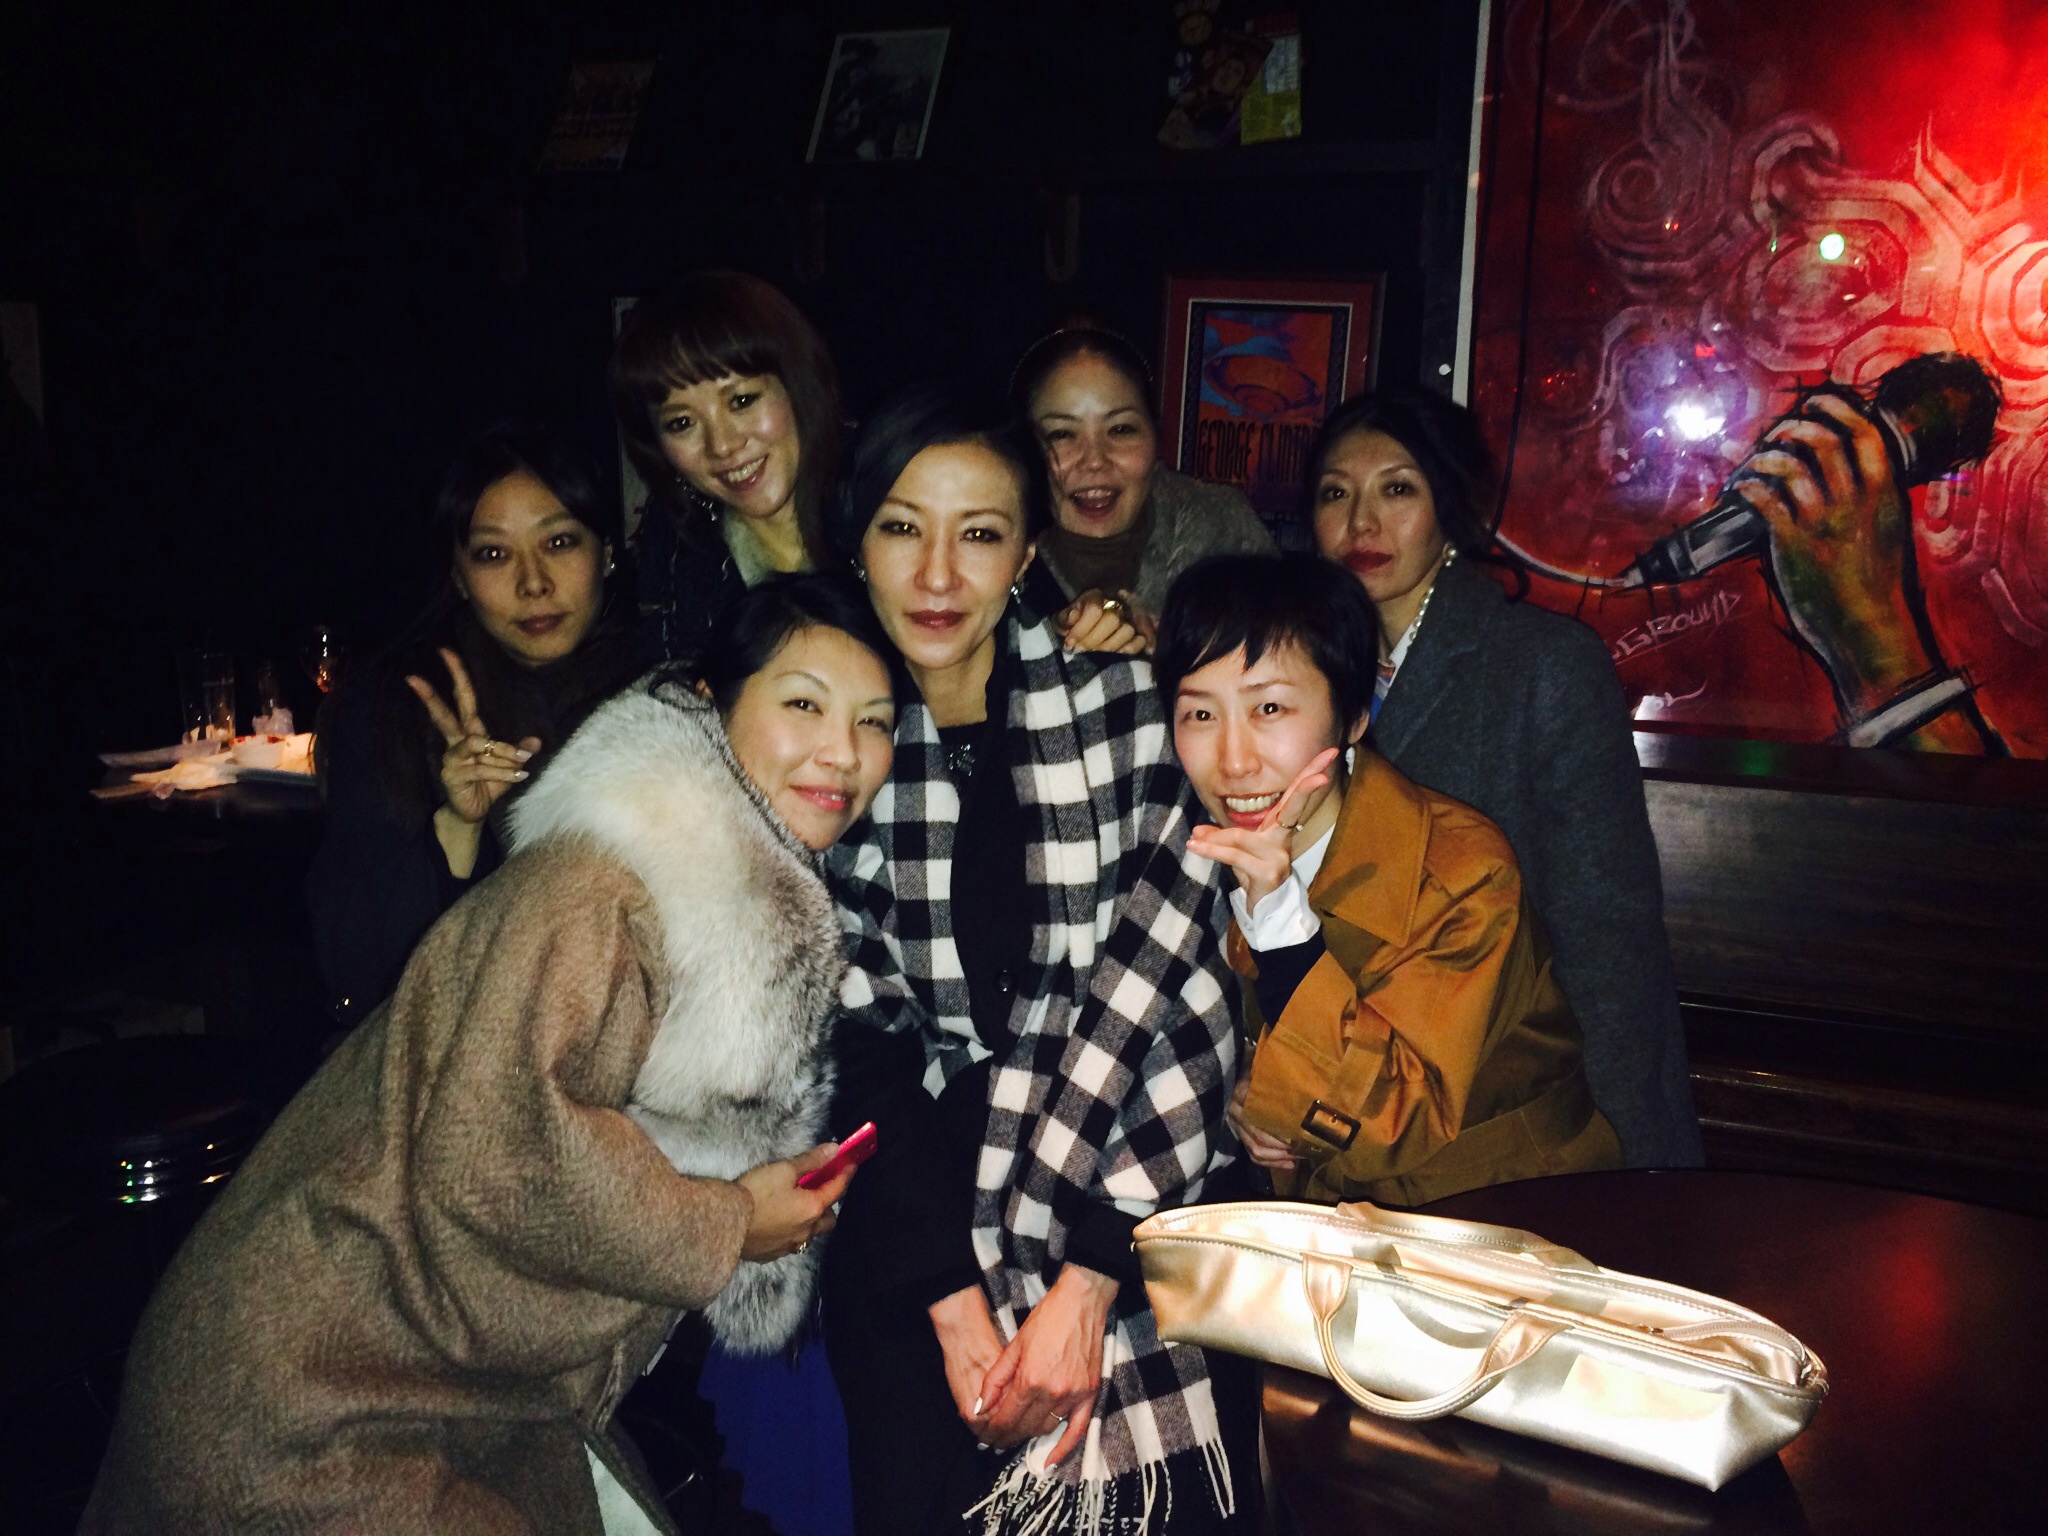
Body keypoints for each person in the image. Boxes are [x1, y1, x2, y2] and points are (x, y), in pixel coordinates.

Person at [81, 577, 898, 1535]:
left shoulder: (707, 883)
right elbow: (499, 1154)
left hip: (431, 1375)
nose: (843, 752)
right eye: (804, 703)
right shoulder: (601, 890)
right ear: (712, 701)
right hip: (307, 1395)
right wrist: (728, 1226)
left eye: (875, 722)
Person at [821, 385, 1258, 1535]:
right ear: (857, 541)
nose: (935, 574)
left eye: (977, 533)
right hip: (914, 1226)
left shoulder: (1129, 712)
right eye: (901, 527)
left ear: (1024, 554)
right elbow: (852, 1052)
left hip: (1142, 1204)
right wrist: (950, 1301)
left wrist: (1091, 1277)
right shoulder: (827, 749)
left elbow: (1191, 996)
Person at [1308, 389, 1702, 1169]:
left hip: (1513, 1101)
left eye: (1397, 489)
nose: (1362, 522)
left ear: (1449, 510)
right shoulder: (1299, 671)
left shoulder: (1544, 663)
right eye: (1334, 493)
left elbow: (1606, 929)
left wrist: (1618, 1144)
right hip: (1350, 1094)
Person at [1157, 553, 1622, 1203]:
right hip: (1334, 1221)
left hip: (1505, 1214)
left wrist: (1283, 931)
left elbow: (1400, 1119)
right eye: (1201, 715)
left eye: (1269, 708)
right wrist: (1257, 1103)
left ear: (1353, 716)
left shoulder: (1461, 872)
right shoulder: (1213, 850)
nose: (1234, 762)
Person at [306, 420, 647, 1024]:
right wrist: (458, 827)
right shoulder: (396, 708)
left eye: (560, 542)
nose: (533, 582)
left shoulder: (663, 698)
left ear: (607, 552)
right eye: (493, 554)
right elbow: (357, 966)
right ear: (459, 578)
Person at [610, 269, 843, 664]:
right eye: (682, 423)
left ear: (797, 383)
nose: (722, 445)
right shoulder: (672, 551)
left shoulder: (889, 490)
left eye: (742, 401)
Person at [1012, 325, 1270, 655]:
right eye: (1061, 434)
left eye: (1120, 429)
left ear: (1155, 438)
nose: (1095, 461)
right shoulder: (994, 542)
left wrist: (1169, 656)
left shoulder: (1224, 530)